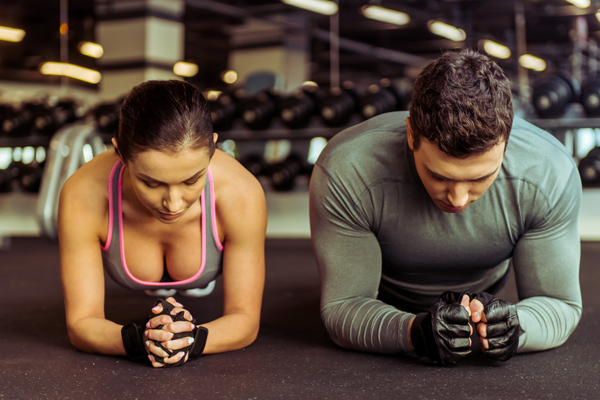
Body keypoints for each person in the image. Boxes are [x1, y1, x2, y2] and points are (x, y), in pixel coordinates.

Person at [309, 48, 582, 365]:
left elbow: (559, 303)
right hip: (387, 301)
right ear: (412, 134)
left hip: (486, 297)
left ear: (506, 141)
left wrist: (517, 326)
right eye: (440, 176)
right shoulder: (349, 168)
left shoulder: (548, 171)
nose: (458, 199)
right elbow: (345, 305)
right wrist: (413, 331)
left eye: (480, 178)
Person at [58, 80, 267, 368]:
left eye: (191, 180)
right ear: (119, 152)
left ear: (213, 148)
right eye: (151, 183)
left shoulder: (242, 194)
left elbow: (245, 318)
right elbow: (81, 322)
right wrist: (137, 341)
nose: (174, 203)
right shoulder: (83, 195)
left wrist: (191, 340)